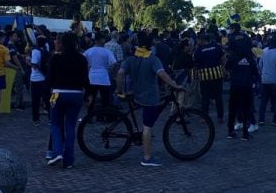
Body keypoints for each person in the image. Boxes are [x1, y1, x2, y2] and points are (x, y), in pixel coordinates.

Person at [116, 31, 184, 167]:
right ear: (150, 46)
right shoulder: (153, 59)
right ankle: (147, 158)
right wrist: (175, 85)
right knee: (147, 127)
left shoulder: (130, 59)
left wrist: (119, 91)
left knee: (146, 125)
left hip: (136, 94)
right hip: (149, 97)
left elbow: (120, 73)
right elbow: (163, 75)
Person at [46, 32, 89, 169]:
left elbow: (49, 79)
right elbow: (85, 78)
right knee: (70, 126)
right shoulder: (82, 59)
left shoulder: (55, 58)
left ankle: (57, 151)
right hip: (76, 94)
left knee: (55, 124)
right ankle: (69, 159)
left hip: (57, 93)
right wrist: (89, 93)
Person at [193, 33, 225, 124]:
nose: (197, 41)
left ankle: (204, 118)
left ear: (202, 40)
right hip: (217, 75)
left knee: (205, 98)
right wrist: (222, 67)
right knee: (218, 97)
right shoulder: (216, 46)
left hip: (205, 77)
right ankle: (220, 118)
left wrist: (195, 75)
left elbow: (195, 64)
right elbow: (223, 57)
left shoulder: (198, 50)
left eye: (198, 40)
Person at [83, 33, 117, 117]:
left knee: (92, 98)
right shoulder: (107, 51)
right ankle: (103, 116)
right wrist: (109, 71)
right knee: (105, 99)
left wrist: (87, 71)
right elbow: (114, 63)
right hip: (104, 78)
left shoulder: (89, 51)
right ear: (102, 40)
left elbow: (83, 62)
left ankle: (89, 116)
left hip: (92, 78)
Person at [258, 37, 276, 125]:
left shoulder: (264, 53)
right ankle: (275, 120)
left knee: (263, 101)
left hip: (265, 81)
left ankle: (261, 120)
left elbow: (260, 65)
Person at [29, 35, 51, 127]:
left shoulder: (35, 51)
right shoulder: (46, 51)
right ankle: (51, 118)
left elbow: (34, 64)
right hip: (44, 78)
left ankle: (36, 119)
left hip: (35, 78)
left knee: (35, 100)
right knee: (48, 100)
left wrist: (28, 62)